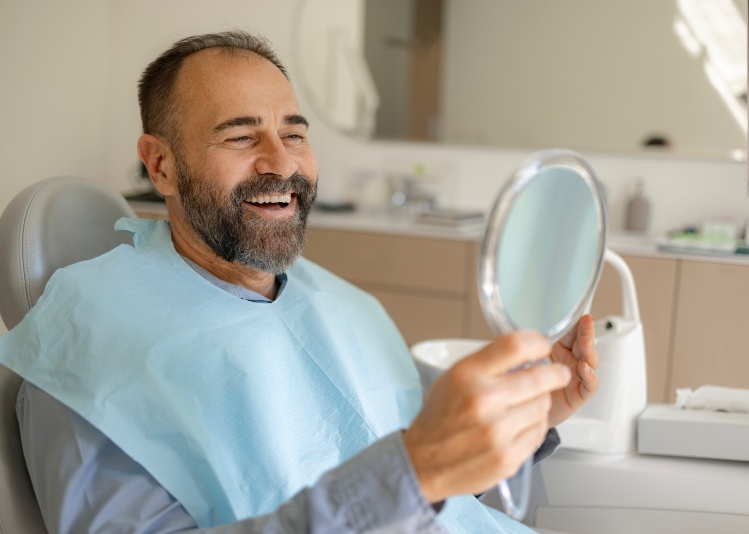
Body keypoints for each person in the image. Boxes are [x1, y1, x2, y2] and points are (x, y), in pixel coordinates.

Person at [0, 31, 599, 533]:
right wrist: (413, 472)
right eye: (240, 136)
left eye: (294, 133)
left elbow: (444, 502)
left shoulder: (342, 305)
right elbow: (414, 480)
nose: (282, 163)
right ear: (161, 165)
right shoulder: (87, 348)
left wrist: (532, 419)